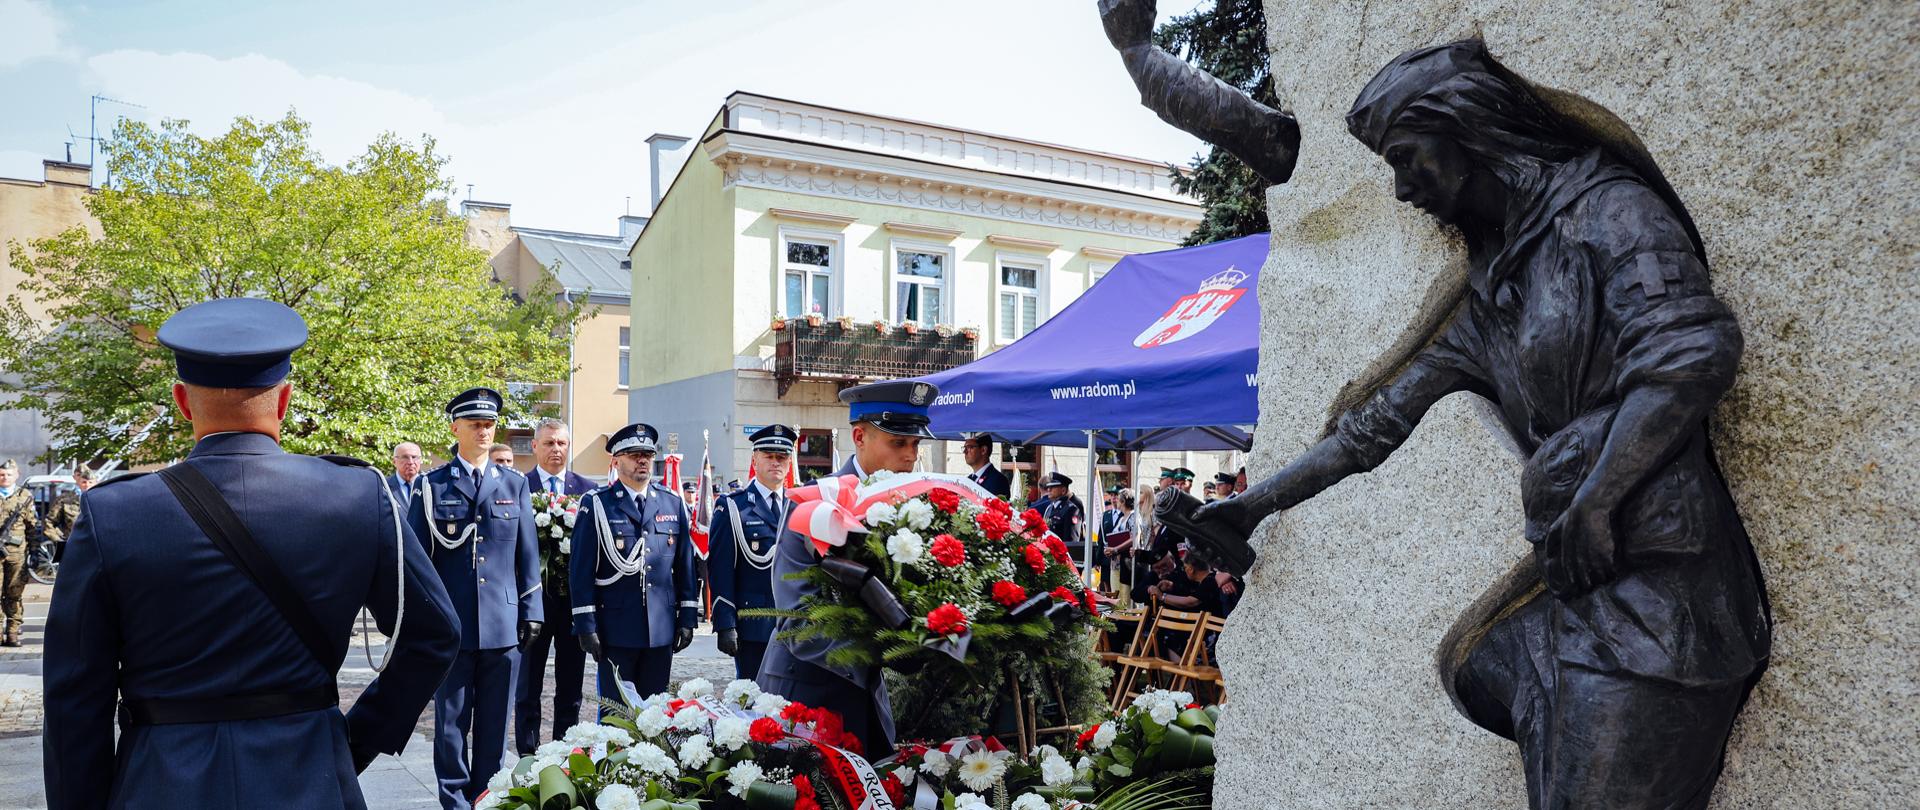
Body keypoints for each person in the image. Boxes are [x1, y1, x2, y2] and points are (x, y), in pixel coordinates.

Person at [1194, 40, 1771, 807]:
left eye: (1408, 159)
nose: (1402, 190)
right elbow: (1372, 429)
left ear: (1467, 129)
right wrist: (1253, 503)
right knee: (1492, 680)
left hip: (1664, 592)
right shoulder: (1491, 289)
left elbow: (1694, 351)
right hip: (1576, 588)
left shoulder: (1607, 209)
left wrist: (1599, 497)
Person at [43, 297, 459, 809]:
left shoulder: (115, 513)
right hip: (310, 775)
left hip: (161, 782)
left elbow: (74, 699)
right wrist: (354, 740)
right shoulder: (356, 495)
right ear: (283, 401)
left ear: (180, 400)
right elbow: (436, 633)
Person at [759, 379, 935, 756]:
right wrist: (888, 651)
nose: (910, 456)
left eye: (916, 445)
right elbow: (797, 618)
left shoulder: (917, 508)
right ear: (859, 437)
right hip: (806, 696)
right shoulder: (815, 503)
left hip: (867, 700)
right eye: (898, 443)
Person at [406, 386, 544, 809]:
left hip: (502, 625)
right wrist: (425, 621)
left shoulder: (514, 484)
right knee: (450, 723)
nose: (484, 432)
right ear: (455, 429)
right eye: (475, 425)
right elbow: (415, 561)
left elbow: (526, 553)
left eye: (489, 425)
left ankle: (486, 797)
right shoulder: (431, 485)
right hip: (453, 625)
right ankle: (453, 800)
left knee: (494, 722)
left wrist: (532, 608)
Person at [569, 423, 697, 702]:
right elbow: (580, 571)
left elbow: (685, 566)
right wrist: (585, 625)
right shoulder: (597, 504)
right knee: (618, 716)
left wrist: (687, 617)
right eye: (634, 454)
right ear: (616, 461)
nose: (642, 460)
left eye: (648, 455)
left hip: (660, 628)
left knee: (656, 716)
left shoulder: (671, 503)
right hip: (615, 629)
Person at [514, 418, 596, 756]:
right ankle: (528, 755)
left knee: (570, 685)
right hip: (532, 603)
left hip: (571, 604)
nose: (556, 450)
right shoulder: (519, 487)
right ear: (535, 446)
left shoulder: (587, 490)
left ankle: (564, 753)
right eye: (549, 443)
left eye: (561, 443)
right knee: (527, 685)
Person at [708, 424, 796, 681]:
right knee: (754, 701)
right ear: (754, 460)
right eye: (769, 456)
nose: (776, 463)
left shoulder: (798, 505)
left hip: (793, 624)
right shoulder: (734, 507)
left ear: (789, 464)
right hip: (752, 625)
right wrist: (725, 623)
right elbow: (721, 569)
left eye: (782, 457)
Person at [0, 458, 48, 647]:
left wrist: (35, 552)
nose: (5, 477)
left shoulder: (25, 496)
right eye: (2, 474)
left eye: (9, 474)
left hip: (16, 555)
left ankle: (12, 632)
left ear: (17, 475)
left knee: (14, 594)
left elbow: (33, 528)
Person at [1033, 472, 1087, 570]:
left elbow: (1071, 542)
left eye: (1053, 487)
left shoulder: (1071, 509)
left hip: (1062, 563)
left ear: (1063, 490)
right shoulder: (1050, 508)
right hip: (1049, 558)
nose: (1048, 490)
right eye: (1048, 487)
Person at [961, 435, 1011, 499]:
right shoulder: (969, 479)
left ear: (983, 450)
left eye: (969, 447)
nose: (965, 452)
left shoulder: (998, 480)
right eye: (964, 448)